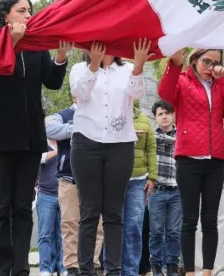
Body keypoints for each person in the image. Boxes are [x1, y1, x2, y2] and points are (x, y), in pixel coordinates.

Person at [0, 0, 70, 276]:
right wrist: (13, 43)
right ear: (6, 15)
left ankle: (20, 269)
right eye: (21, 10)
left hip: (30, 138)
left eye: (30, 10)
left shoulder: (36, 46)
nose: (28, 15)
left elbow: (52, 83)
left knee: (22, 206)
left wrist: (60, 56)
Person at [158, 48, 224, 276]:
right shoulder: (183, 80)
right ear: (194, 60)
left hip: (215, 161)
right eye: (206, 61)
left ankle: (207, 271)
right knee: (189, 219)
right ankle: (189, 272)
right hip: (188, 159)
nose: (210, 67)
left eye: (216, 63)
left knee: (210, 220)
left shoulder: (219, 84)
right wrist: (174, 65)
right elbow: (165, 94)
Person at [70, 40, 150, 276]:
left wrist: (138, 66)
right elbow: (80, 93)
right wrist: (94, 65)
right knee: (89, 212)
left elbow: (137, 93)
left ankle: (113, 269)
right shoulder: (79, 69)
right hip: (86, 143)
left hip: (120, 144)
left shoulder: (127, 70)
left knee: (114, 213)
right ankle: (86, 270)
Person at [194, 124, 224, 276]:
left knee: (223, 230)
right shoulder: (195, 129)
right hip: (198, 187)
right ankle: (200, 270)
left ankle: (222, 271)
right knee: (198, 228)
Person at [122, 102, 158, 276]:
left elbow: (151, 149)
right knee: (113, 226)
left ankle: (131, 271)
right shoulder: (108, 115)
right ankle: (113, 269)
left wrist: (152, 177)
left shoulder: (144, 120)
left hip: (138, 181)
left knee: (134, 226)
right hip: (114, 180)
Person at [45, 100, 79, 276]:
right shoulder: (64, 115)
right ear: (74, 95)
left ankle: (93, 264)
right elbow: (49, 129)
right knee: (69, 223)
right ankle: (71, 266)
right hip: (68, 177)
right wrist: (77, 128)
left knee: (97, 225)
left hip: (94, 178)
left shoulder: (99, 111)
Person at [148, 100, 181, 276]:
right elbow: (155, 140)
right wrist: (176, 140)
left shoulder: (182, 133)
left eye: (167, 113)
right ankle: (156, 266)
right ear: (155, 118)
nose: (164, 116)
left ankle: (172, 266)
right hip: (157, 191)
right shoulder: (151, 135)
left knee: (174, 232)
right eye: (160, 114)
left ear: (173, 115)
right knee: (156, 232)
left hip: (177, 191)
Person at [36, 142, 64, 276]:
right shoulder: (41, 144)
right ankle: (46, 268)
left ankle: (63, 267)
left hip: (65, 195)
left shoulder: (66, 142)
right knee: (45, 234)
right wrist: (58, 151)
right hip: (46, 194)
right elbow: (39, 158)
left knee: (63, 234)